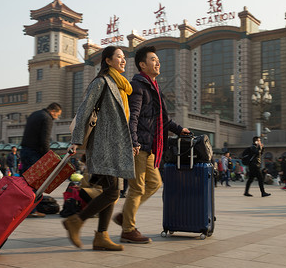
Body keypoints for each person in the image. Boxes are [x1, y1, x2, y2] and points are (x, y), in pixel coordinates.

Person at [112, 45, 190, 244]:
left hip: (151, 147)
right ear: (142, 65)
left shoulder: (154, 87)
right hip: (139, 146)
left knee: (155, 183)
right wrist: (134, 141)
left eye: (158, 59)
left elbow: (163, 119)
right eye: (153, 59)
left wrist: (180, 129)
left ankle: (125, 216)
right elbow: (134, 117)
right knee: (137, 188)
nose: (158, 62)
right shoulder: (138, 86)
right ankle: (128, 229)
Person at [63, 46, 135, 251]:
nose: (123, 61)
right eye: (119, 57)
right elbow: (85, 109)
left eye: (124, 57)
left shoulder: (121, 86)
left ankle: (101, 236)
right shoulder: (101, 82)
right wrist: (76, 140)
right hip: (104, 145)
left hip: (118, 146)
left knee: (111, 190)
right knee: (113, 192)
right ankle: (76, 221)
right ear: (108, 60)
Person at [20, 102, 62, 218]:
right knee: (35, 183)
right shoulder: (47, 118)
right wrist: (49, 157)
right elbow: (45, 140)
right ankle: (32, 210)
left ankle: (22, 207)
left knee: (25, 183)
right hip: (34, 153)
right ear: (53, 111)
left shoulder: (35, 114)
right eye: (57, 115)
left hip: (25, 150)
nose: (56, 118)